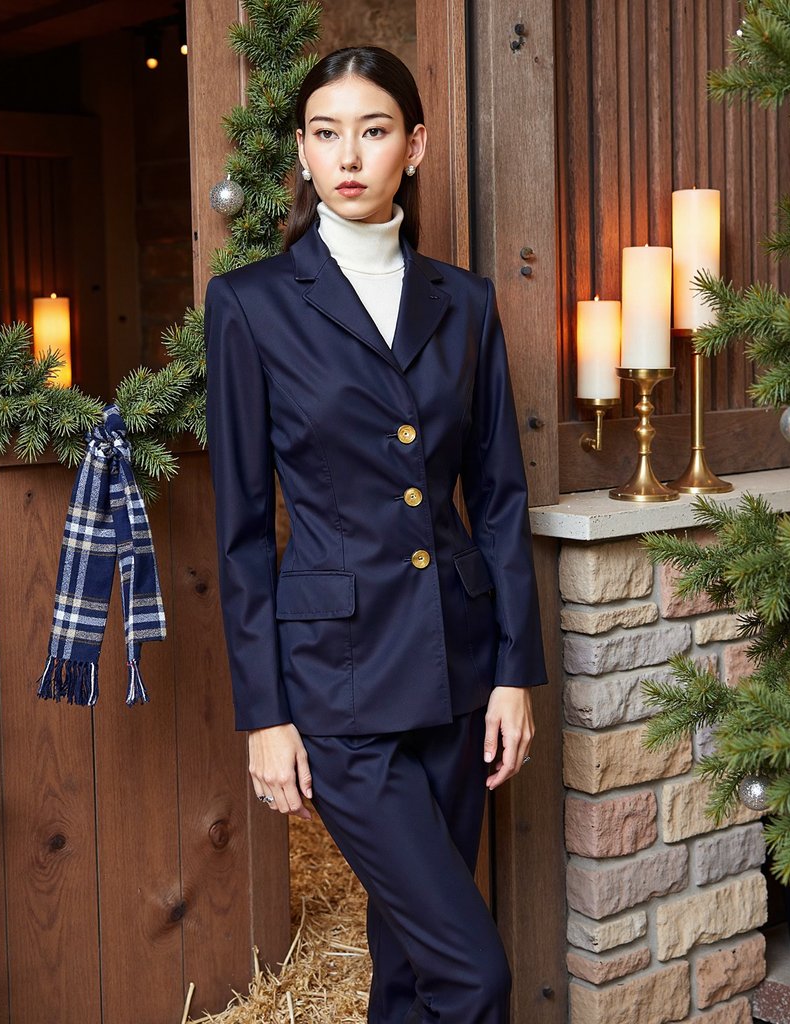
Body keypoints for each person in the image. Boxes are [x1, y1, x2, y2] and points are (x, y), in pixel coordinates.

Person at [204, 45, 548, 1024]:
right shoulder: (250, 305)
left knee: (409, 972)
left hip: (461, 669)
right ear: (303, 155)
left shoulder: (465, 301)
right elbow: (237, 530)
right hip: (340, 685)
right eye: (324, 133)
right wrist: (265, 719)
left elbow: (500, 494)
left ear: (416, 145)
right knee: (474, 976)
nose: (348, 155)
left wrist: (514, 672)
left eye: (373, 129)